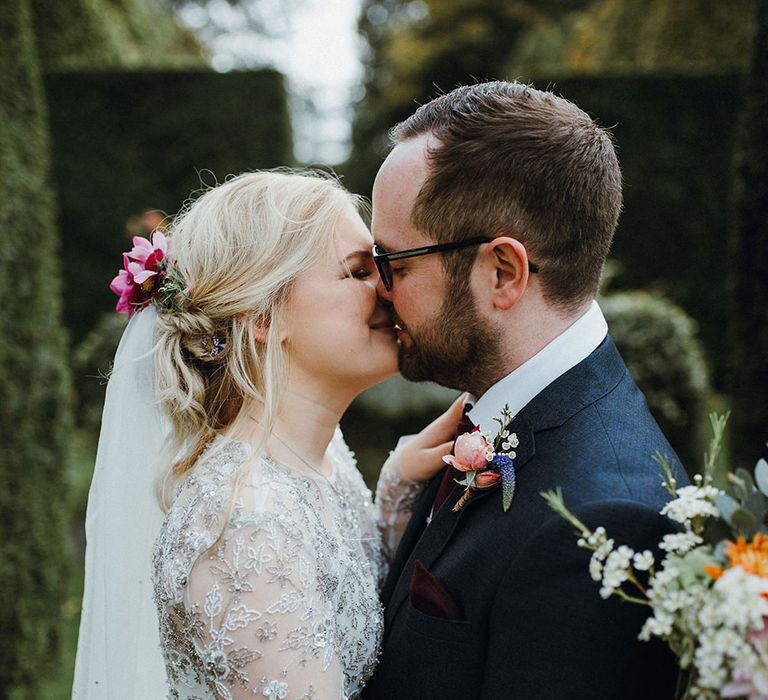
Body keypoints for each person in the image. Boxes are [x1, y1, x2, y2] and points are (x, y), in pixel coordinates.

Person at [72, 171, 463, 699]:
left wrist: (393, 488)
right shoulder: (242, 529)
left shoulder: (327, 460)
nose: (389, 288)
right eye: (357, 271)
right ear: (263, 315)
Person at [362, 81, 689, 699]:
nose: (377, 289)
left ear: (502, 272)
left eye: (394, 263)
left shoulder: (599, 521)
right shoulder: (501, 409)